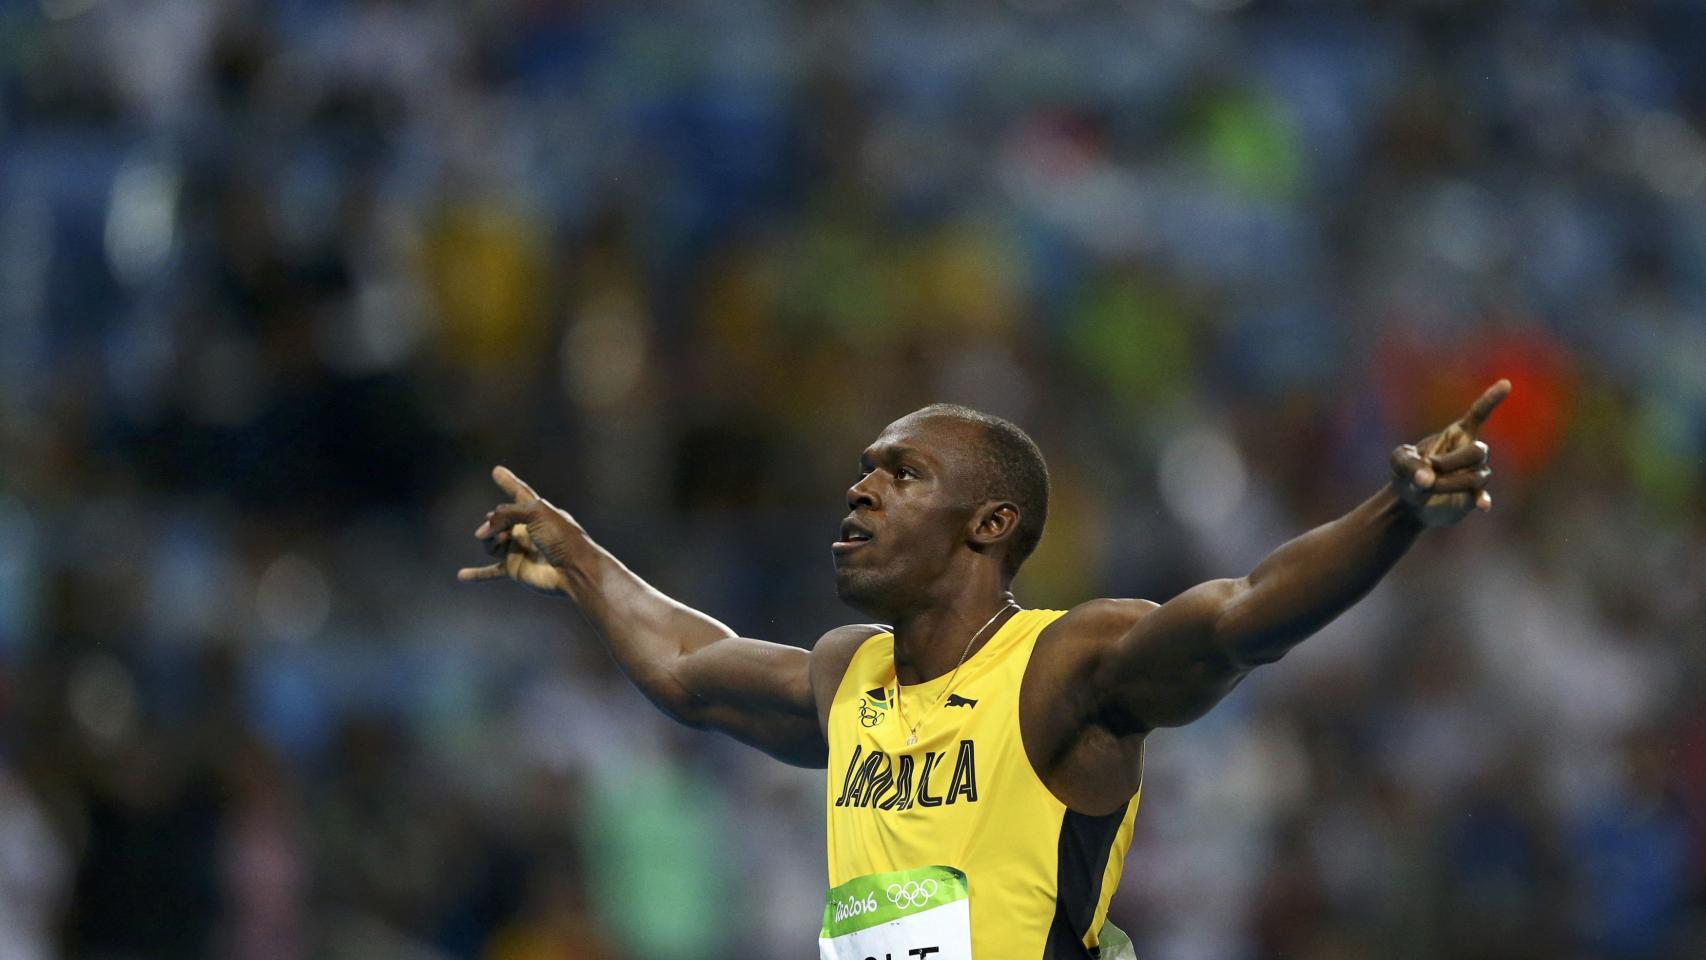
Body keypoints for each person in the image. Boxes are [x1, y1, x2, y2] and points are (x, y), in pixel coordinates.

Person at [459, 380, 1510, 959]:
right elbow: (691, 667)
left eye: (900, 474)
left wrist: (1398, 512)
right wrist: (579, 555)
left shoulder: (1063, 666)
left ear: (989, 524)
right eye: (863, 470)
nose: (860, 490)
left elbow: (1241, 618)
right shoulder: (849, 678)